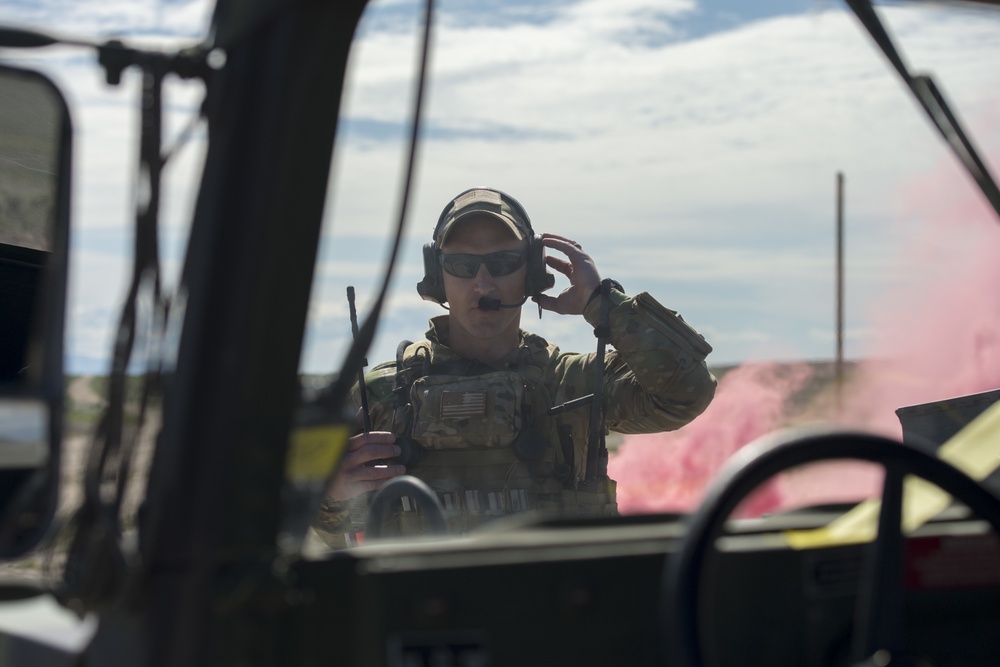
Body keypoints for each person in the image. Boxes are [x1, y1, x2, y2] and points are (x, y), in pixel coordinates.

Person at [313, 187, 716, 547]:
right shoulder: (382, 396)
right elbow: (326, 533)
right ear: (437, 276)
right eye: (462, 266)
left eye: (504, 262)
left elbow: (687, 393)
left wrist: (604, 304)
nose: (483, 285)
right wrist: (332, 493)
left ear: (533, 273)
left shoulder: (573, 383)